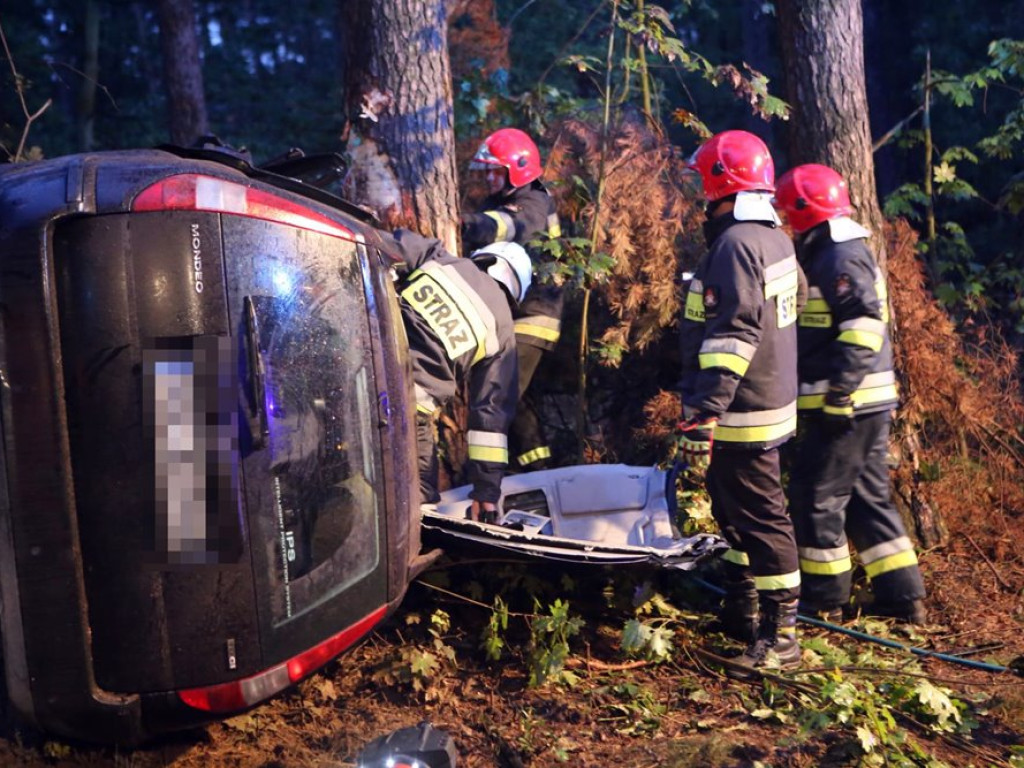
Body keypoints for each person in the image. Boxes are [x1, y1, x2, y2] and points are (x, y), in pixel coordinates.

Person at [774, 163, 927, 623]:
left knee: (816, 497)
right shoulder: (832, 251)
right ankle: (904, 598)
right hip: (860, 402)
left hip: (848, 405)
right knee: (866, 497)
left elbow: (863, 329)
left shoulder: (839, 256)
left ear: (803, 210)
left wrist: (840, 393)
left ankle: (823, 602)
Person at [679, 130, 803, 675]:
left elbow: (734, 333)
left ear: (720, 183)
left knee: (760, 518)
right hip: (766, 400)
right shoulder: (774, 239)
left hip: (743, 409)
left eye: (704, 182)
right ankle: (742, 606)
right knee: (734, 513)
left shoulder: (733, 246)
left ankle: (782, 639)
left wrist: (708, 405)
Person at [391, 229, 532, 523]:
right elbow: (490, 420)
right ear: (515, 292)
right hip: (406, 405)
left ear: (485, 258)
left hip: (364, 359)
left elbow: (384, 245)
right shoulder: (503, 332)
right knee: (422, 506)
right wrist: (486, 494)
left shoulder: (439, 257)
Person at [462, 128, 563, 472]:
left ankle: (483, 475)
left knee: (498, 396)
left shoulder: (534, 200)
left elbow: (511, 226)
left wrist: (465, 225)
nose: (489, 177)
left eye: (495, 170)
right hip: (508, 313)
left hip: (533, 314)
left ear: (517, 168)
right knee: (516, 403)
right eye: (487, 170)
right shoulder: (496, 202)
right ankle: (538, 471)